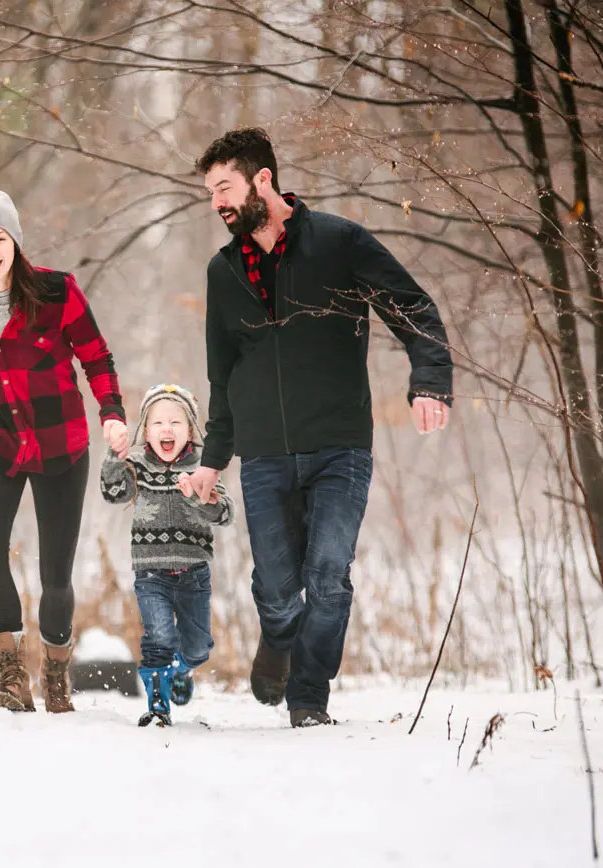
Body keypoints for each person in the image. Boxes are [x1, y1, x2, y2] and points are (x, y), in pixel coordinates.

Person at [184, 128, 454, 728]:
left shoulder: (338, 242)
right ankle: (278, 636)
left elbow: (410, 305)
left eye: (224, 187)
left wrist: (430, 379)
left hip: (340, 446)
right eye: (210, 193)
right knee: (279, 590)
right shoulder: (222, 271)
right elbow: (220, 372)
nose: (216, 203)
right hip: (263, 454)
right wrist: (212, 456)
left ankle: (309, 699)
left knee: (328, 577)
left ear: (263, 180)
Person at [0, 189, 129, 714]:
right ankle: (11, 677)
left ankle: (55, 673)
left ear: (16, 242)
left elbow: (97, 356)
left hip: (58, 443)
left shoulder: (55, 293)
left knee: (55, 570)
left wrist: (111, 411)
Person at [100, 383, 234, 727]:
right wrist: (114, 457)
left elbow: (226, 514)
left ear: (191, 428)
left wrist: (200, 497)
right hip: (151, 572)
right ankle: (158, 706)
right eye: (158, 423)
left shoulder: (203, 465)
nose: (167, 430)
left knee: (198, 648)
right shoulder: (137, 463)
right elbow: (114, 494)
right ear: (145, 430)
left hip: (194, 573)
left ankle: (182, 671)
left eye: (176, 422)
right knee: (159, 638)